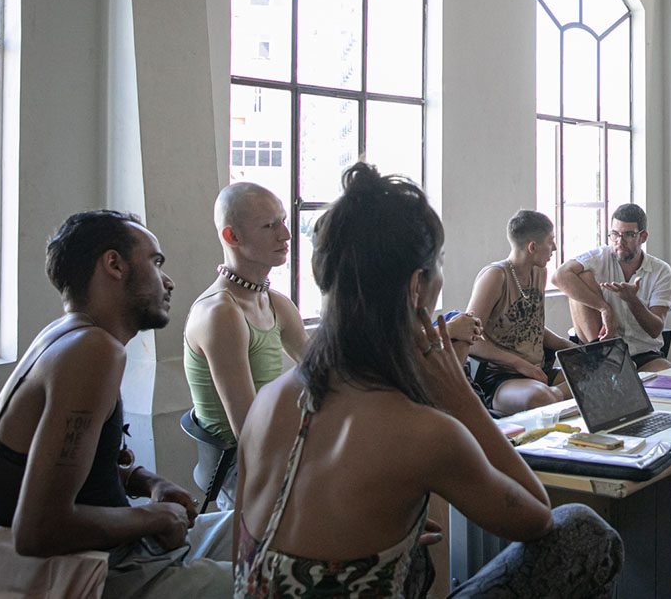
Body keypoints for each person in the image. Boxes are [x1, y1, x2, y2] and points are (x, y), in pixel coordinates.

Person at [234, 163, 622, 597]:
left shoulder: (267, 403)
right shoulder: (422, 431)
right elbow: (539, 516)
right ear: (418, 285)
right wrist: (460, 398)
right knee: (581, 529)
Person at [0, 211, 232, 595]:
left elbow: (45, 465)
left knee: (270, 524)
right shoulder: (94, 351)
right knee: (284, 579)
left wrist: (145, 480)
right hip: (112, 571)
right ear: (114, 264)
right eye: (156, 262)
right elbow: (37, 530)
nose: (168, 281)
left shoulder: (64, 335)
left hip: (130, 550)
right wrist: (151, 518)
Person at [183, 183, 308, 505]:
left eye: (283, 221)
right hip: (240, 468)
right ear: (232, 237)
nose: (286, 235)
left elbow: (324, 375)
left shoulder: (276, 303)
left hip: (271, 448)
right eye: (269, 226)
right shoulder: (220, 313)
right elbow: (250, 433)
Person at [467, 210, 574, 415]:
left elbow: (530, 327)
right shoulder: (495, 277)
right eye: (550, 241)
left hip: (537, 373)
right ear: (532, 247)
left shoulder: (539, 272)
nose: (555, 247)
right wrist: (518, 363)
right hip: (501, 377)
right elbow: (471, 340)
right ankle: (559, 398)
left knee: (600, 375)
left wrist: (572, 348)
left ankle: (558, 397)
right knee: (541, 398)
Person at [553, 203, 671, 373]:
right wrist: (604, 309)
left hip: (643, 353)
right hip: (601, 345)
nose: (620, 242)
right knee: (580, 276)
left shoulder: (661, 271)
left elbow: (655, 330)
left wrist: (632, 300)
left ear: (643, 237)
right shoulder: (599, 257)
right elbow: (559, 276)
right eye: (615, 234)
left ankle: (617, 366)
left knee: (670, 374)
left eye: (629, 235)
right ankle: (602, 357)